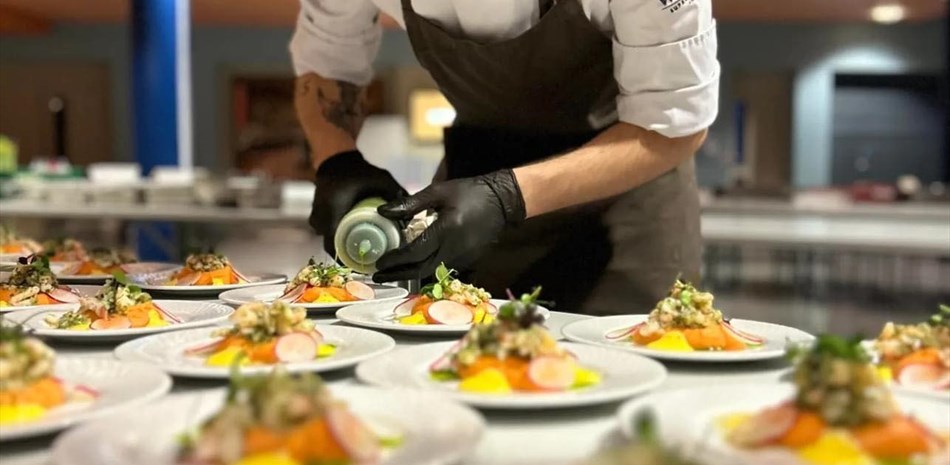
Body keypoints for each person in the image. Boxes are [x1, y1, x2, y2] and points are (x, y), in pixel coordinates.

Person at [292, 0, 719, 314]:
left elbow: (675, 126)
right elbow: (327, 65)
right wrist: (337, 160)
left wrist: (506, 196)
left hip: (625, 202)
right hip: (471, 198)